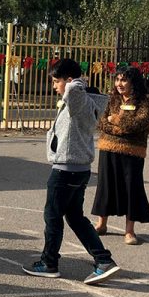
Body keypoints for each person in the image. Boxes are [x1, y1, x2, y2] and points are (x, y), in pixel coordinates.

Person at [23, 58, 121, 285]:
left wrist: (74, 81)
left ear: (69, 81)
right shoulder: (86, 100)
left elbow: (73, 89)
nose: (54, 86)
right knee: (75, 217)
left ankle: (49, 263)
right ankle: (103, 260)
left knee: (53, 216)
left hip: (66, 169)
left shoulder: (77, 96)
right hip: (79, 169)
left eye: (57, 81)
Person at [91, 66, 149, 245]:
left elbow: (138, 123)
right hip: (108, 147)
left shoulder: (145, 100)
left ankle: (129, 231)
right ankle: (101, 224)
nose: (119, 84)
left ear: (133, 82)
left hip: (132, 150)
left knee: (131, 188)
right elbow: (102, 122)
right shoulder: (111, 98)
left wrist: (116, 120)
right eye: (117, 79)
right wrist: (117, 125)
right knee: (105, 186)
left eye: (124, 80)